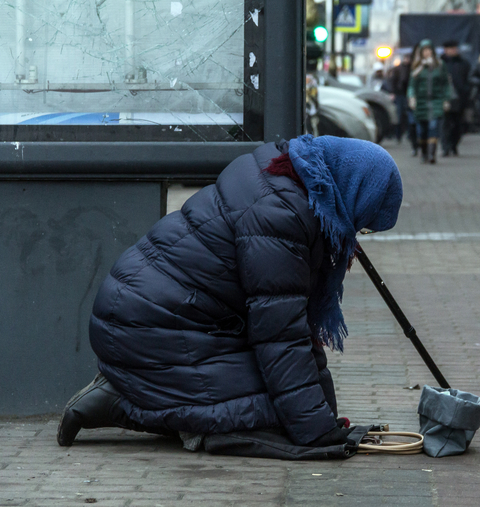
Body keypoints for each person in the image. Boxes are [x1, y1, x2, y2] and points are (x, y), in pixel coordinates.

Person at [56, 135, 403, 453]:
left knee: (296, 407)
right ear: (353, 192)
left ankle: (139, 392)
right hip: (145, 327)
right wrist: (314, 430)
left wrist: (322, 415)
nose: (359, 232)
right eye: (365, 221)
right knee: (268, 410)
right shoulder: (281, 216)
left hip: (160, 317)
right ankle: (119, 402)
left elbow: (293, 327)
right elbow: (279, 335)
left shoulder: (295, 177)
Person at [408, 39, 451, 164]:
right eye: (424, 51)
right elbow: (411, 85)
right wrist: (412, 97)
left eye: (429, 50)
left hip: (436, 101)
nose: (427, 53)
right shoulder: (417, 67)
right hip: (421, 103)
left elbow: (445, 84)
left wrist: (446, 99)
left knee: (434, 127)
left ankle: (432, 155)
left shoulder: (440, 65)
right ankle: (424, 153)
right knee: (422, 130)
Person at [440, 40, 471, 157]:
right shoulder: (440, 63)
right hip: (444, 98)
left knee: (458, 124)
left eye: (454, 48)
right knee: (445, 124)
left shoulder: (463, 63)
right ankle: (445, 147)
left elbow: (468, 79)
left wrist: (466, 92)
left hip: (459, 98)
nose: (453, 50)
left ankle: (454, 145)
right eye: (450, 48)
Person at [388, 54, 413, 145]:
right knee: (399, 115)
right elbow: (393, 81)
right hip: (400, 94)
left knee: (408, 115)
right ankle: (398, 135)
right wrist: (393, 92)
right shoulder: (398, 69)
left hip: (407, 95)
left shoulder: (412, 69)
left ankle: (408, 134)